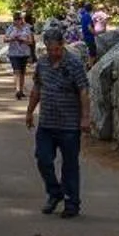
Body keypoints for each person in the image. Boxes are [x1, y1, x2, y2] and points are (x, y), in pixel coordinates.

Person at [27, 25, 90, 219]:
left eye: (56, 49)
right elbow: (37, 87)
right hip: (47, 122)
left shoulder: (73, 63)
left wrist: (85, 117)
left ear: (62, 45)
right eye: (49, 49)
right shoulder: (43, 63)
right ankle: (55, 192)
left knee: (70, 165)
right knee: (43, 159)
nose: (53, 53)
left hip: (69, 124)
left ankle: (72, 203)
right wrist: (29, 112)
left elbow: (83, 91)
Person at [4, 10, 35, 97]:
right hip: (13, 53)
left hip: (24, 53)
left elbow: (31, 41)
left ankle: (21, 90)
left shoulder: (26, 28)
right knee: (16, 71)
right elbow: (5, 39)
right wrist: (12, 39)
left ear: (22, 20)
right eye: (15, 19)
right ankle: (17, 90)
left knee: (22, 72)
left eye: (19, 19)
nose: (17, 21)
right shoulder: (10, 28)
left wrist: (24, 40)